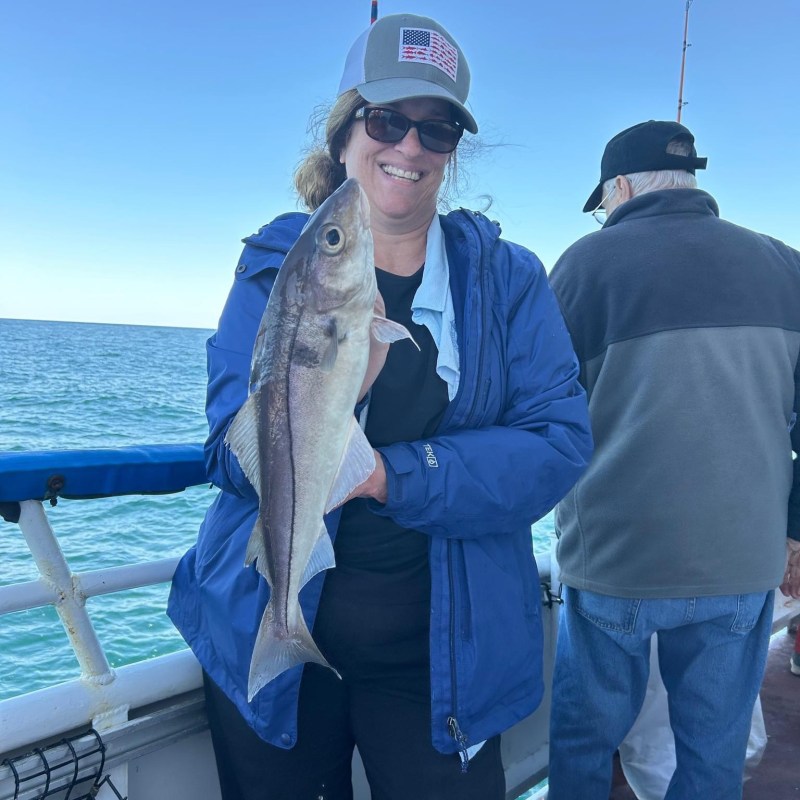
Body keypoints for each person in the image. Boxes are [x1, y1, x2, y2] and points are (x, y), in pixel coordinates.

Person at [167, 13, 592, 800]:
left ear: (454, 155)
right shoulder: (273, 269)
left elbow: (559, 444)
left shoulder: (509, 280)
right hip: (268, 618)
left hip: (442, 661)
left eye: (437, 133)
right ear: (342, 135)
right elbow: (228, 454)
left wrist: (388, 476)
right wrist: (336, 388)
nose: (409, 148)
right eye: (388, 120)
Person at [546, 119, 800, 799]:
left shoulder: (582, 265)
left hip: (616, 564)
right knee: (713, 755)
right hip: (744, 565)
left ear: (620, 187)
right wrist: (795, 526)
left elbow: (541, 414)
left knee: (583, 744)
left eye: (602, 203)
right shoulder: (786, 265)